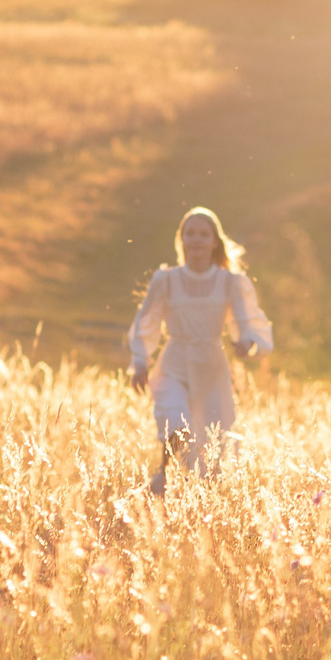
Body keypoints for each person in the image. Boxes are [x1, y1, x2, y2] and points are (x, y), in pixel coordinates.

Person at [128, 206, 273, 494]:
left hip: (212, 368)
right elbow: (148, 321)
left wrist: (247, 343)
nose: (196, 239)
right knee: (175, 420)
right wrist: (140, 362)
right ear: (180, 239)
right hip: (174, 363)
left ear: (215, 241)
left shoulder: (231, 282)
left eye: (203, 234)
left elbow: (249, 324)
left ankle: (194, 499)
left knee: (211, 448)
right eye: (189, 233)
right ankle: (163, 477)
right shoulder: (166, 280)